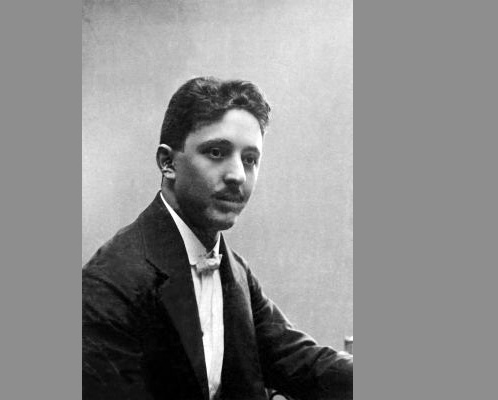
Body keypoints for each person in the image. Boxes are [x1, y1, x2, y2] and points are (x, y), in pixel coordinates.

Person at [82, 77, 353, 400]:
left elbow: (300, 361)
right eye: (216, 152)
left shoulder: (235, 272)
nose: (237, 175)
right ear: (168, 163)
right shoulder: (108, 284)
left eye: (250, 159)